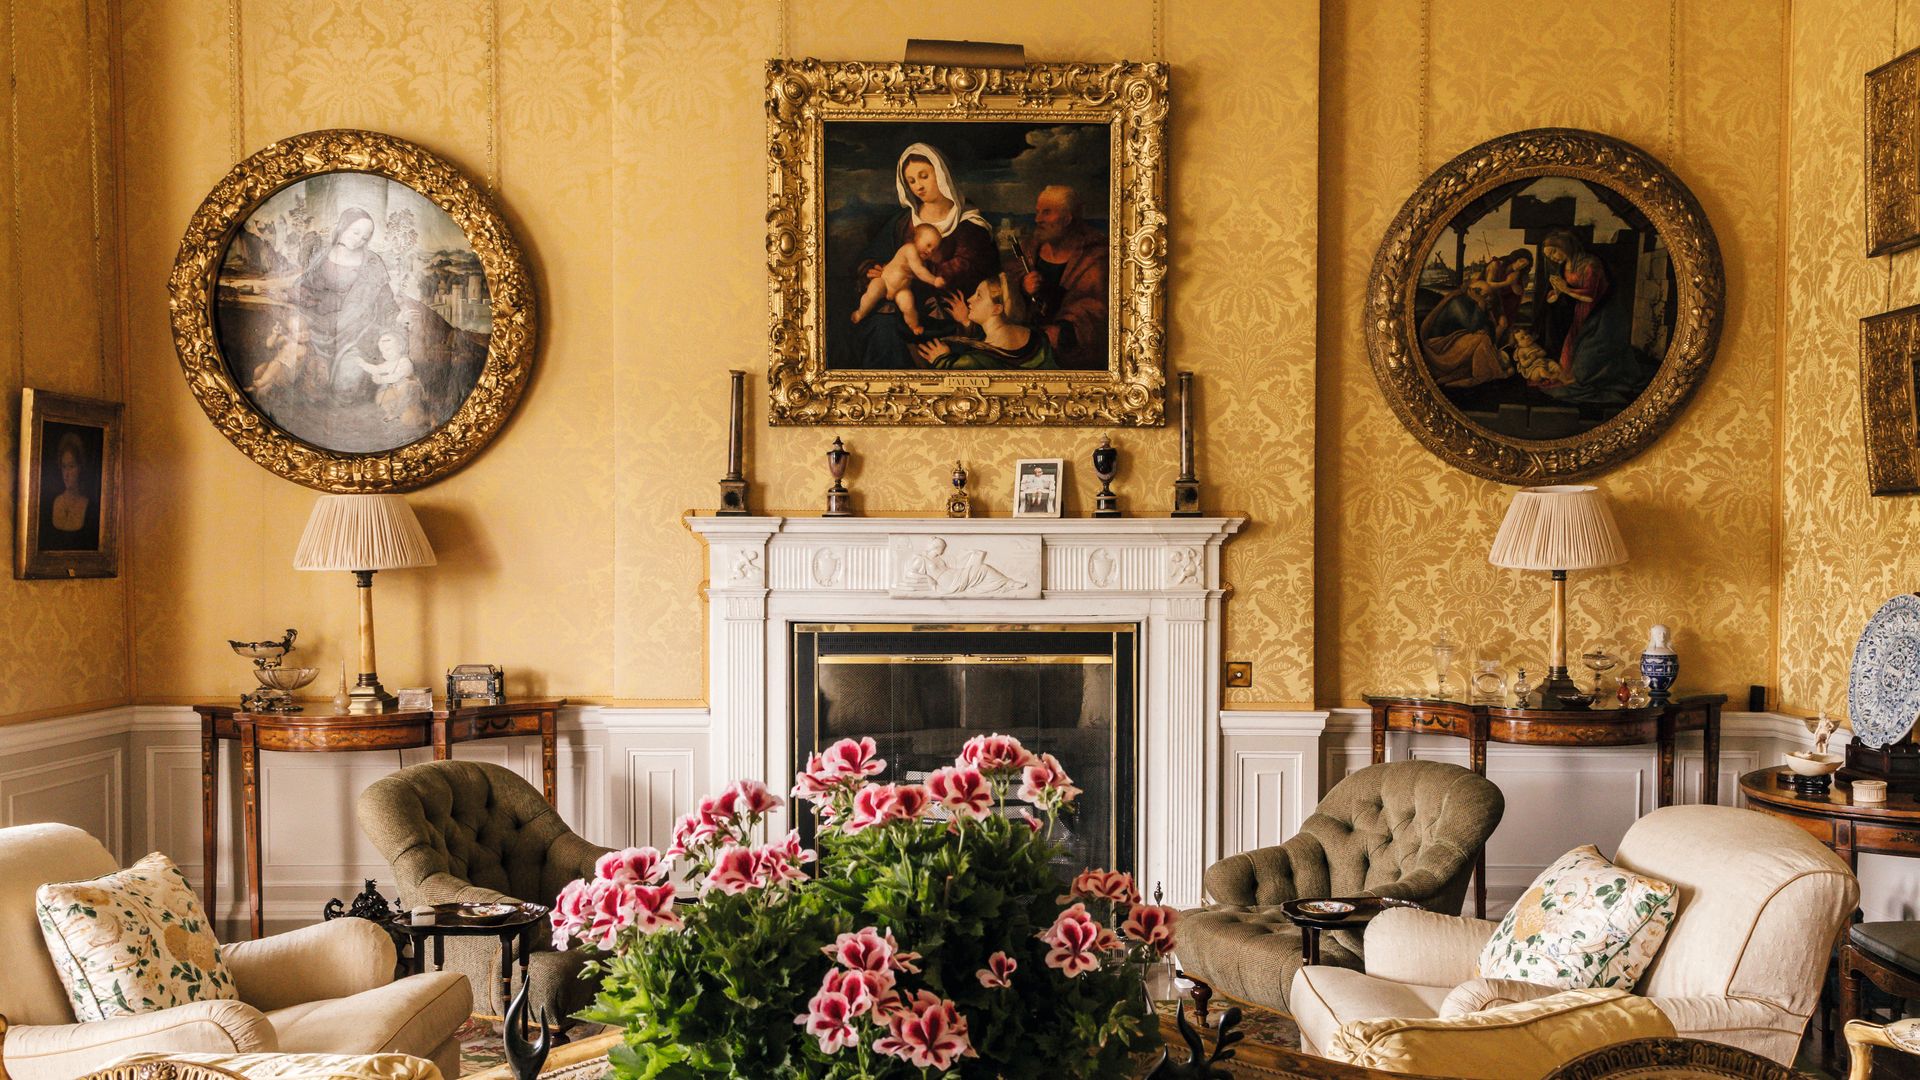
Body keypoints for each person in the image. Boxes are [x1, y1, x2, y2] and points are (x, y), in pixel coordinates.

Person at [845, 143, 998, 366]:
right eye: (912, 181)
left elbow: (967, 270)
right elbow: (873, 255)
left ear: (942, 175)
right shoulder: (903, 222)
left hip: (950, 317)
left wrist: (909, 271)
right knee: (880, 328)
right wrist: (872, 268)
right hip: (902, 311)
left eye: (924, 176)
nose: (918, 187)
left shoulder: (970, 226)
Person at [292, 206, 398, 401]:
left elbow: (386, 299)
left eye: (365, 237)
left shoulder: (372, 261)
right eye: (355, 232)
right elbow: (304, 288)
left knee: (346, 388)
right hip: (318, 329)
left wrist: (394, 323)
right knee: (314, 388)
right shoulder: (323, 255)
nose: (359, 239)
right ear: (343, 227)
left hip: (357, 333)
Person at [1016, 185, 1108, 370]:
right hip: (1026, 345)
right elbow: (1006, 288)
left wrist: (1063, 330)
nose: (1037, 219)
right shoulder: (1029, 249)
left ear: (1067, 219)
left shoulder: (1095, 256)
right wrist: (1022, 287)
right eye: (1037, 212)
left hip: (1069, 356)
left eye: (1046, 213)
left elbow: (1094, 307)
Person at [914, 275, 1057, 370]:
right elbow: (986, 344)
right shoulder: (1036, 336)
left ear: (997, 308)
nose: (969, 299)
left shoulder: (973, 361)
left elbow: (956, 377)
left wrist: (942, 360)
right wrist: (965, 321)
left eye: (979, 296)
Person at [851, 223, 946, 333]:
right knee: (872, 293)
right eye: (928, 245)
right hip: (884, 282)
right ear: (916, 239)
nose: (930, 251)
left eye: (933, 250)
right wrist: (934, 280)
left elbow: (920, 274)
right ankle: (860, 313)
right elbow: (919, 271)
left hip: (901, 289)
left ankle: (914, 326)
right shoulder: (909, 249)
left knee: (908, 306)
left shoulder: (923, 262)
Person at [354, 331, 430, 431]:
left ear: (400, 347)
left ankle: (423, 417)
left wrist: (382, 379)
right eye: (382, 351)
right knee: (381, 397)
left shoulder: (404, 361)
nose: (385, 354)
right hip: (396, 390)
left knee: (409, 419)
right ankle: (393, 412)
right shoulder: (389, 363)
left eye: (388, 350)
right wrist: (363, 364)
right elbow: (377, 369)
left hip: (409, 390)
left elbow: (397, 376)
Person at [39, 430, 99, 551]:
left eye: (71, 466)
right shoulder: (50, 504)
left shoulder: (91, 508)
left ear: (80, 468)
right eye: (64, 466)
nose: (66, 474)